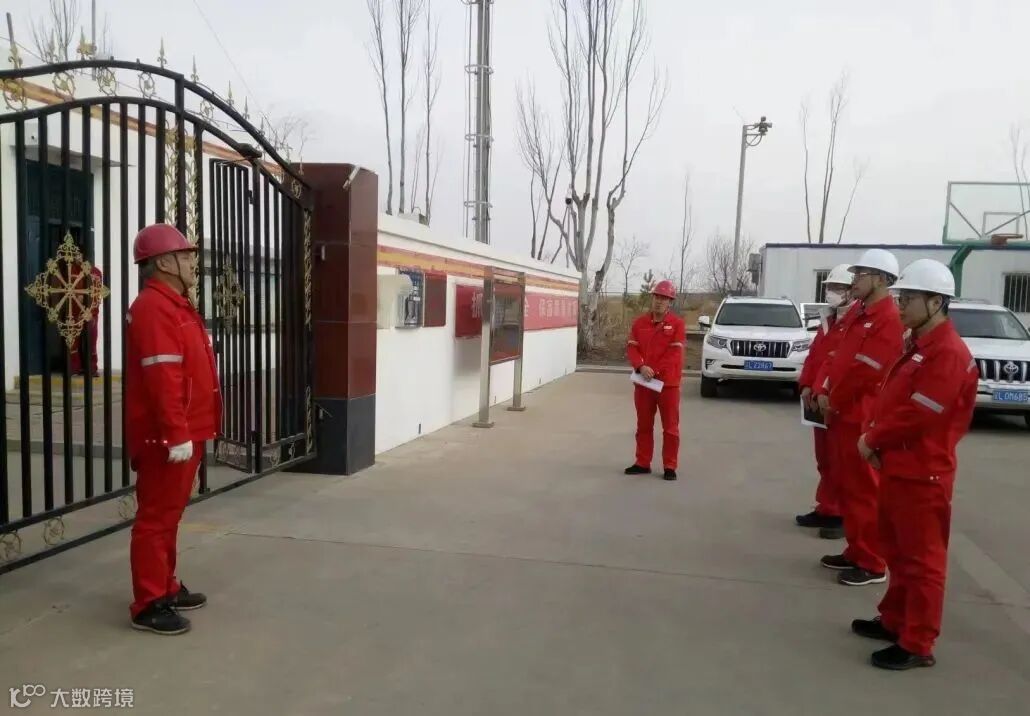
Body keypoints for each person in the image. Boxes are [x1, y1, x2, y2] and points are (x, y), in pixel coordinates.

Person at [851, 259, 977, 670]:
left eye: (908, 298)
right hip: (899, 466)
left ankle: (918, 641)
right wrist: (875, 434)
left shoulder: (948, 353)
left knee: (922, 561)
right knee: (898, 551)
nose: (900, 305)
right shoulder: (919, 346)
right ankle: (895, 620)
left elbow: (920, 413)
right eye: (900, 297)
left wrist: (873, 438)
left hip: (924, 473)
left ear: (936, 302)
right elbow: (893, 400)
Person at [126, 224, 221, 635]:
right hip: (167, 436)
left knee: (170, 515)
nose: (192, 263)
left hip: (185, 430)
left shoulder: (175, 305)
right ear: (164, 262)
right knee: (156, 518)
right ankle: (149, 603)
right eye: (185, 256)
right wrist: (175, 433)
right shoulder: (153, 308)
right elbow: (163, 376)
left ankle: (165, 585)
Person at [813, 248, 904, 586]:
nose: (854, 281)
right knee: (848, 487)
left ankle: (872, 561)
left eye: (860, 275)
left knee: (865, 489)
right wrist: (823, 387)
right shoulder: (859, 313)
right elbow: (836, 355)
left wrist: (833, 398)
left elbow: (867, 371)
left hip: (860, 413)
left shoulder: (888, 319)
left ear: (880, 279)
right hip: (841, 411)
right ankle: (856, 549)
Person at [795, 264, 855, 538]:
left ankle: (842, 514)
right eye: (829, 288)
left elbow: (841, 364)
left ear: (851, 291)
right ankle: (827, 507)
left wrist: (823, 389)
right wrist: (807, 385)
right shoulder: (829, 320)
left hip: (836, 399)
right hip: (818, 398)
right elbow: (815, 356)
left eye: (838, 288)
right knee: (825, 458)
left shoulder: (855, 323)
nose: (832, 293)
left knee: (842, 461)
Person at [625, 280, 686, 481]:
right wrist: (641, 366)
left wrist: (655, 370)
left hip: (667, 384)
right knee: (643, 425)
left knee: (670, 428)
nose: (659, 301)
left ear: (670, 302)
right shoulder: (639, 323)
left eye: (664, 298)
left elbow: (674, 354)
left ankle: (670, 465)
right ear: (652, 298)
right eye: (657, 297)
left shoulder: (677, 324)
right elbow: (632, 348)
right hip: (644, 383)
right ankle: (642, 462)